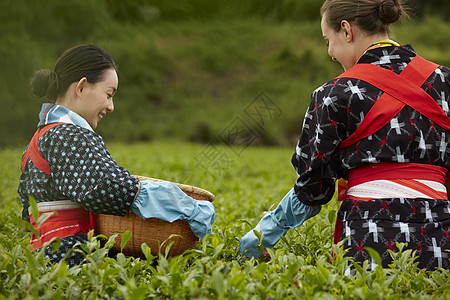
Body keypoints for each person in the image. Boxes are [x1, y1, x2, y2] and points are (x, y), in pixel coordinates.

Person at [240, 0, 450, 271]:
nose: (329, 52)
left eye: (328, 40)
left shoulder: (332, 95)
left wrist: (264, 233)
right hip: (442, 242)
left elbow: (313, 187)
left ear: (346, 30)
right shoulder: (445, 82)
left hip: (370, 244)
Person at [19, 44, 215, 267]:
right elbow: (106, 186)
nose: (111, 107)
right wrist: (184, 206)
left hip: (42, 257)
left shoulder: (42, 135)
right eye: (109, 95)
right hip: (67, 258)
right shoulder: (67, 135)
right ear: (82, 87)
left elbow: (28, 210)